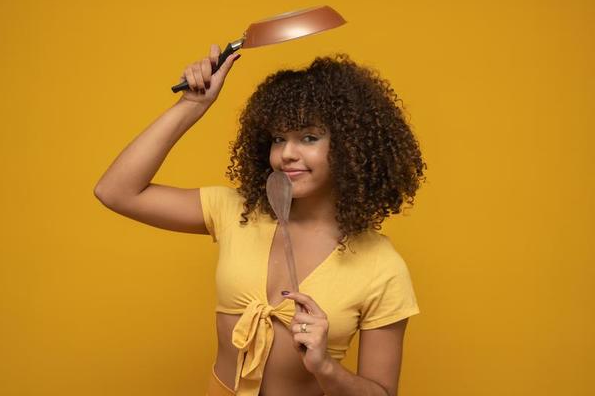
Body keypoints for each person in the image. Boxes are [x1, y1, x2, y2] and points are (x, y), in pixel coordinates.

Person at [94, 44, 427, 396]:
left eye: (309, 138)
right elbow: (116, 191)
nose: (286, 153)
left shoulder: (382, 267)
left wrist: (326, 368)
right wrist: (192, 106)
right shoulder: (236, 211)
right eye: (278, 138)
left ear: (351, 146)